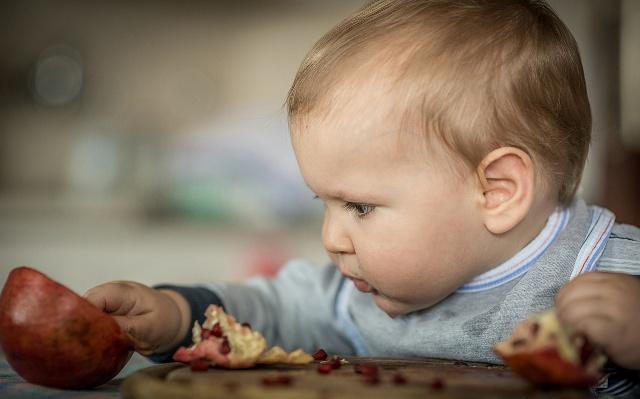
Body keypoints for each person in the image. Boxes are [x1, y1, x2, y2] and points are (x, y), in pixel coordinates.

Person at [86, 0, 640, 395]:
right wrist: (177, 313)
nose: (331, 239)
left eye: (360, 207)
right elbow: (273, 310)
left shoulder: (615, 272)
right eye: (322, 203)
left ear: (496, 191)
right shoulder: (354, 294)